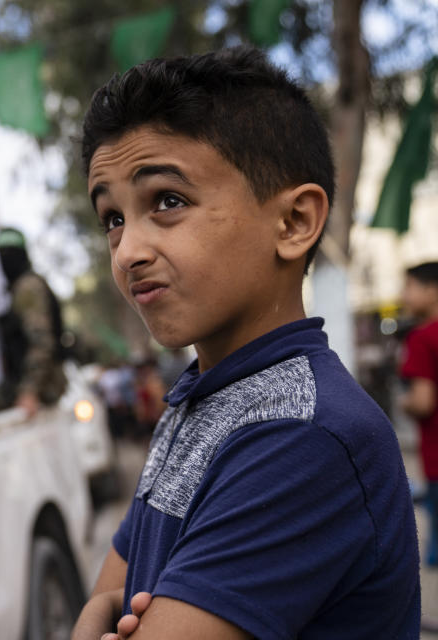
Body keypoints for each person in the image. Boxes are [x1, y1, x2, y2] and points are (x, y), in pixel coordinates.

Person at [71, 47, 419, 640]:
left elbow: (109, 604)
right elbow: (111, 589)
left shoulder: (303, 433)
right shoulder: (197, 399)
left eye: (168, 201)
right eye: (113, 218)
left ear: (293, 222)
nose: (128, 251)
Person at [0, 227, 67, 417]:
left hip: (44, 387)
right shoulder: (21, 288)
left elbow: (41, 343)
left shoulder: (27, 287)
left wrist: (29, 391)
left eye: (8, 254)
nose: (4, 260)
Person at [400, 261, 438, 566]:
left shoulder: (422, 338)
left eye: (409, 287)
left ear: (431, 290)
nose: (404, 296)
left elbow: (423, 402)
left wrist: (404, 403)